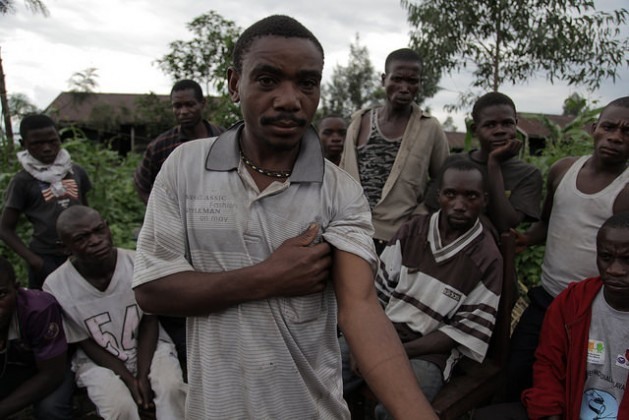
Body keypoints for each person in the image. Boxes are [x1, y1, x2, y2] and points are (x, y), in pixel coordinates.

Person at [132, 15, 436, 420]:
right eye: (268, 80)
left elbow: (361, 310)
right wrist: (269, 276)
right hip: (217, 409)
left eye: (306, 83)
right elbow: (152, 289)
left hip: (310, 409)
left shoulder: (339, 191)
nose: (290, 99)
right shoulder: (186, 167)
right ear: (234, 83)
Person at [343, 159, 503, 418]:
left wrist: (389, 354)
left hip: (430, 354)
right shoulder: (412, 231)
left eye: (470, 196)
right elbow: (375, 294)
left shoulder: (487, 259)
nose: (459, 205)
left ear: (484, 200)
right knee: (322, 374)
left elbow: (458, 334)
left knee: (399, 410)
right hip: (381, 331)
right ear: (438, 195)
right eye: (451, 194)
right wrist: (366, 342)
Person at [506, 96, 629, 400]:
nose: (616, 136)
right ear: (593, 128)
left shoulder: (626, 190)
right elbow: (548, 223)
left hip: (593, 311)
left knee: (577, 385)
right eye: (609, 126)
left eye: (628, 131)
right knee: (518, 371)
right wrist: (526, 238)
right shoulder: (563, 170)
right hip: (546, 298)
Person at [43, 206, 186, 420]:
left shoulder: (137, 263)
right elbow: (85, 341)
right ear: (64, 248)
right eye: (82, 238)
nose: (95, 240)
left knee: (171, 388)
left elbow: (149, 321)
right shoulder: (56, 286)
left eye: (99, 230)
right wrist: (130, 380)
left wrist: (143, 375)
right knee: (118, 407)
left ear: (107, 228)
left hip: (151, 348)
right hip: (98, 361)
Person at [340, 48, 449, 253]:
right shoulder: (359, 122)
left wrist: (421, 214)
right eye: (397, 79)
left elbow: (443, 180)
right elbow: (341, 173)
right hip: (350, 233)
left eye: (412, 81)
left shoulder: (430, 128)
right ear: (383, 79)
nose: (404, 88)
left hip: (399, 240)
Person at [521, 211, 629, 419]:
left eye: (627, 259)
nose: (615, 270)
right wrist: (549, 413)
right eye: (606, 258)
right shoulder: (572, 302)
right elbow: (549, 365)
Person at [424, 92, 542, 233]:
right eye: (490, 125)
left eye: (507, 123)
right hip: (448, 248)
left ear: (516, 125)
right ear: (475, 130)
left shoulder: (527, 174)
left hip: (495, 254)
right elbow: (433, 208)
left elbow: (506, 224)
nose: (500, 131)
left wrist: (494, 164)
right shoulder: (455, 164)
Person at [0, 114, 91, 290]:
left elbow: (85, 211)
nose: (47, 148)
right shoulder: (23, 181)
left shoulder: (76, 172)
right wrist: (36, 262)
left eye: (52, 141)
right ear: (24, 145)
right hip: (46, 257)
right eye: (37, 144)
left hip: (80, 253)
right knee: (48, 308)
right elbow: (4, 228)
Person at [0, 255, 73, 419]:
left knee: (51, 409)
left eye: (1, 294)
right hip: (11, 366)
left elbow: (52, 374)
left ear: (16, 288)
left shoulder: (38, 310)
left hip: (50, 364)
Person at [134, 79, 223, 204]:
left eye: (190, 105)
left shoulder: (225, 140)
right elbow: (141, 185)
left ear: (202, 104)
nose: (183, 112)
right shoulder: (160, 146)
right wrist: (161, 213)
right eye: (177, 106)